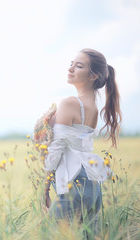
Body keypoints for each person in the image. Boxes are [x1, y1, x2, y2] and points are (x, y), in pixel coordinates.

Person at [43, 48, 122, 230]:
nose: (70, 69)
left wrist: (44, 188)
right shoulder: (92, 106)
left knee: (52, 233)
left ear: (93, 76)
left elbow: (57, 148)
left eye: (78, 66)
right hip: (92, 183)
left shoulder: (70, 103)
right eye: (71, 64)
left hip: (74, 181)